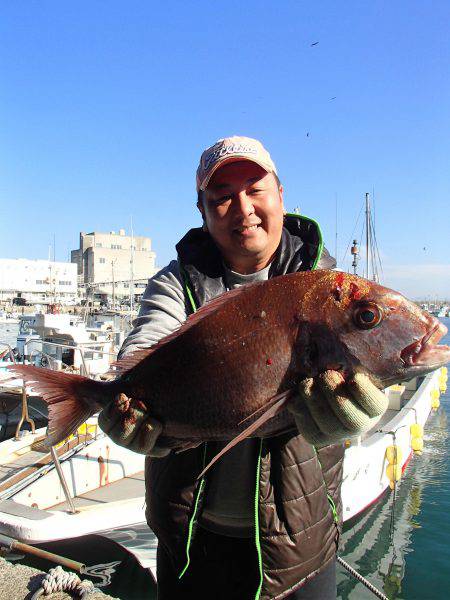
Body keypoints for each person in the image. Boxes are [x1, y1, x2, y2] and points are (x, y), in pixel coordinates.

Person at [99, 136, 388, 600]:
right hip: (191, 543)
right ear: (203, 212)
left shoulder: (328, 288)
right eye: (221, 197)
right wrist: (127, 404)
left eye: (255, 189)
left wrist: (362, 410)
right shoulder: (177, 282)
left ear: (280, 196)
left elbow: (368, 371)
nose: (242, 207)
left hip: (302, 548)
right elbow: (149, 338)